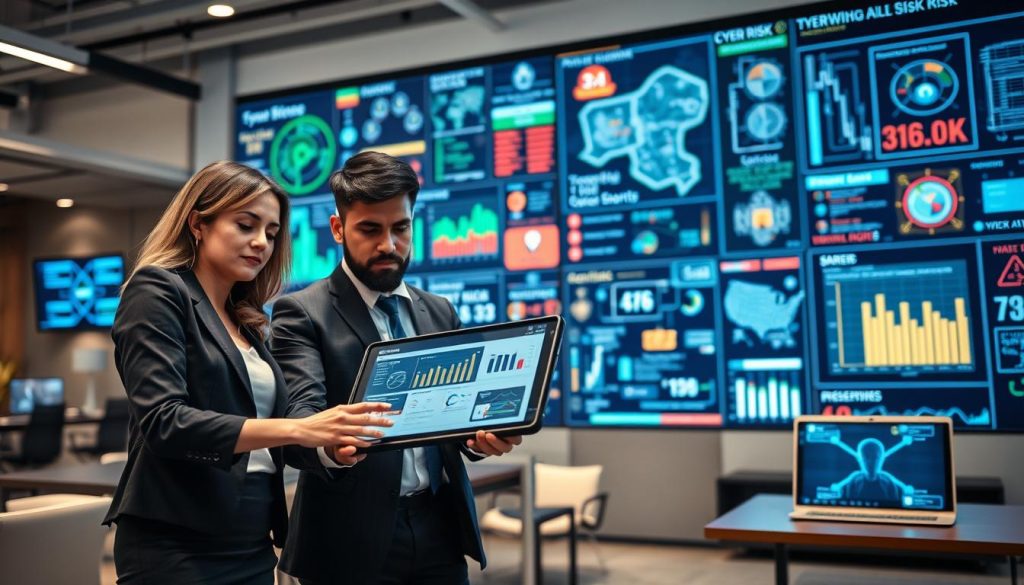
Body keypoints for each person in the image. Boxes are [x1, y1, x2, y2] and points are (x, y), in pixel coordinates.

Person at [105, 161, 394, 584]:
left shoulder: (247, 321)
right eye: (246, 225)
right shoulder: (157, 290)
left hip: (251, 536)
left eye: (272, 234)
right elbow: (165, 422)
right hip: (176, 541)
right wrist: (300, 429)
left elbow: (267, 442)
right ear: (198, 224)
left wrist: (330, 445)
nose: (261, 242)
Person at [271, 151, 521, 585]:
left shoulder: (439, 311)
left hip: (438, 528)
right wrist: (332, 448)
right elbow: (299, 419)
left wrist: (481, 438)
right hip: (348, 540)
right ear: (338, 229)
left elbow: (455, 417)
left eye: (400, 228)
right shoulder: (302, 313)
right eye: (370, 229)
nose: (388, 245)